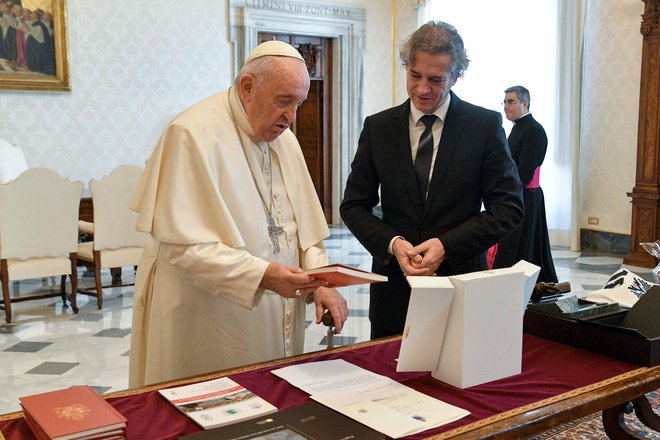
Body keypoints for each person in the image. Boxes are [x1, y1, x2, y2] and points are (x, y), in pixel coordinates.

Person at [128, 40, 349, 387]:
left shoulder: (283, 138)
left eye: (299, 103)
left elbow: (304, 232)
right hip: (208, 316)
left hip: (277, 310)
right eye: (283, 101)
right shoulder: (191, 134)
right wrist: (263, 275)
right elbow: (183, 248)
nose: (292, 118)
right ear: (248, 86)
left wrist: (320, 281)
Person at [340, 21, 524, 339]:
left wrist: (446, 247)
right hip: (394, 294)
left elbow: (509, 207)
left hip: (459, 287)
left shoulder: (483, 126)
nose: (422, 89)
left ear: (456, 76)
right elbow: (354, 206)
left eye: (436, 79)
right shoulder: (378, 127)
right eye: (415, 76)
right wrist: (393, 245)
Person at [492, 86, 558, 283]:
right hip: (516, 194)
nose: (506, 106)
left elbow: (524, 173)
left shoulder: (533, 130)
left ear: (525, 103)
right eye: (504, 102)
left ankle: (518, 282)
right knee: (517, 245)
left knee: (521, 245)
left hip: (525, 196)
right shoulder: (519, 128)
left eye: (510, 102)